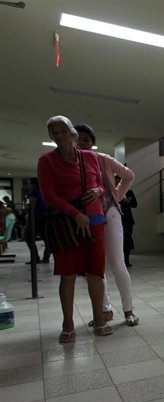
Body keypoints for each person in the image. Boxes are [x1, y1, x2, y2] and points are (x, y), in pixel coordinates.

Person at [37, 115, 112, 342]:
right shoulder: (46, 161)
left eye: (62, 131)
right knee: (68, 275)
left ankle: (99, 318)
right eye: (53, 133)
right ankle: (67, 323)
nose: (58, 136)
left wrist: (99, 192)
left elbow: (99, 183)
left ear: (72, 133)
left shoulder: (90, 157)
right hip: (67, 222)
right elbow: (48, 195)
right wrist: (75, 213)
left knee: (95, 273)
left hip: (95, 220)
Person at [75, 124, 139, 327]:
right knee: (95, 267)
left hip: (109, 214)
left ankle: (129, 311)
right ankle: (105, 310)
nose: (82, 143)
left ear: (93, 143)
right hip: (85, 218)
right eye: (78, 139)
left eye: (86, 140)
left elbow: (129, 175)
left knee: (117, 262)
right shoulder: (71, 163)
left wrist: (116, 197)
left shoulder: (102, 159)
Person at [24, 178, 51, 264]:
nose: (29, 185)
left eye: (30, 183)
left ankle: (35, 257)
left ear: (34, 184)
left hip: (36, 218)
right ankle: (46, 256)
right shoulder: (43, 192)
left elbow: (31, 206)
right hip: (46, 217)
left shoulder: (34, 192)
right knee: (46, 238)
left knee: (29, 237)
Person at [120, 186, 137, 267]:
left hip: (128, 220)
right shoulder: (114, 192)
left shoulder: (129, 192)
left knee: (127, 240)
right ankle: (120, 260)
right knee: (119, 241)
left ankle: (126, 261)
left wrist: (126, 201)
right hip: (118, 219)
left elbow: (135, 204)